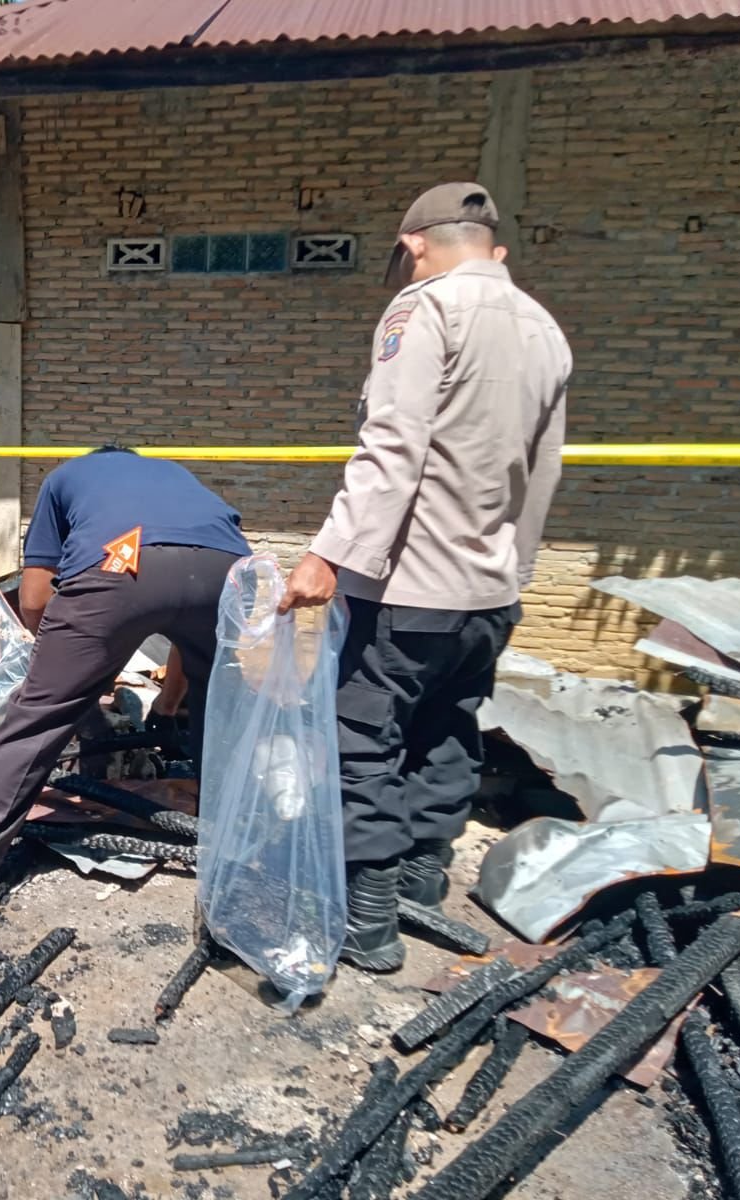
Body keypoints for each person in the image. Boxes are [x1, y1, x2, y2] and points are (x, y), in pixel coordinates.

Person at [279, 182, 571, 973]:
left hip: (409, 589)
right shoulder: (543, 326)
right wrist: (513, 572)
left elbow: (393, 448)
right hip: (490, 593)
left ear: (413, 246)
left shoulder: (425, 310)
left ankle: (370, 918)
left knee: (361, 740)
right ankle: (421, 880)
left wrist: (330, 554)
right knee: (446, 731)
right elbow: (542, 473)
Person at [0, 446, 250, 926]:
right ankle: (241, 850)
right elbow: (184, 616)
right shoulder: (175, 475)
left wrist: (57, 672)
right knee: (223, 708)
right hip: (227, 570)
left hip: (122, 561)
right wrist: (167, 708)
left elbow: (34, 595)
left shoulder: (65, 477)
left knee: (37, 720)